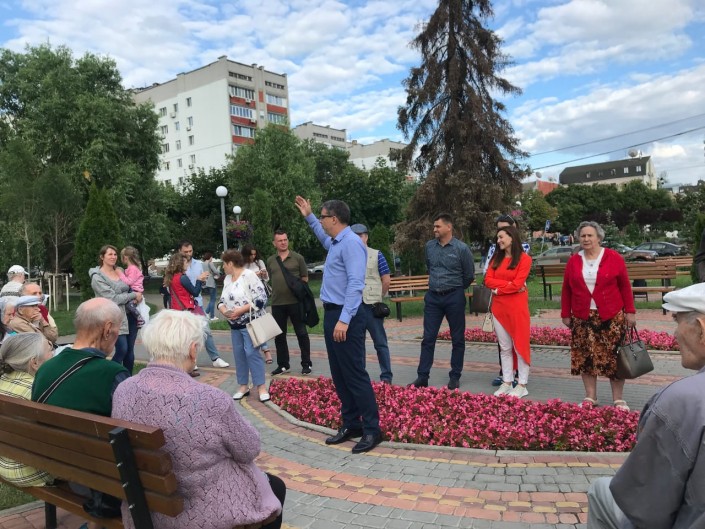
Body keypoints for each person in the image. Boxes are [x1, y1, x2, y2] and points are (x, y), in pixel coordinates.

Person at [112, 310, 285, 529]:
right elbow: (249, 450)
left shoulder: (124, 389)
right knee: (276, 487)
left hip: (145, 505)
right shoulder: (210, 399)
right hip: (198, 513)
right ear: (193, 350)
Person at [586, 283, 705, 529]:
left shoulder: (682, 401)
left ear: (701, 329)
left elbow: (644, 506)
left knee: (600, 491)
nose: (675, 334)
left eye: (677, 321)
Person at [295, 196, 383, 454]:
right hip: (334, 314)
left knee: (354, 374)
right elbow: (321, 236)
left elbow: (356, 284)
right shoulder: (336, 242)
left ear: (334, 219)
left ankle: (372, 429)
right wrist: (309, 216)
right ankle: (352, 423)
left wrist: (344, 320)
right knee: (340, 374)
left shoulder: (352, 244)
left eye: (323, 216)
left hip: (348, 316)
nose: (321, 221)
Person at [32, 297, 130, 521]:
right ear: (107, 329)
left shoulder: (46, 368)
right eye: (118, 329)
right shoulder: (112, 374)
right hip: (102, 481)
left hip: (58, 466)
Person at [561, 221, 636, 410]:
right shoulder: (574, 260)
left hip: (611, 316)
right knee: (585, 357)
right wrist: (565, 313)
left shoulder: (613, 257)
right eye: (583, 236)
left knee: (614, 358)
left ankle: (618, 399)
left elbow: (625, 286)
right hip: (582, 316)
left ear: (599, 238)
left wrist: (630, 311)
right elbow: (566, 289)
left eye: (590, 235)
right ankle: (590, 397)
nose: (586, 239)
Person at [410, 213, 474, 390]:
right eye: (434, 226)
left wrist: (456, 288)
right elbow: (429, 267)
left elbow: (469, 275)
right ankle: (422, 376)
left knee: (457, 338)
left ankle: (455, 376)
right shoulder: (429, 246)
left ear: (449, 227)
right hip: (433, 298)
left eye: (437, 226)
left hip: (454, 297)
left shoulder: (461, 248)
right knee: (428, 338)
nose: (434, 229)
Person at [0, 333, 54, 486]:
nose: (53, 354)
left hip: (4, 465)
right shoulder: (38, 390)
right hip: (31, 471)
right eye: (49, 350)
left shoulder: (3, 381)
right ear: (34, 363)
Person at [484, 225, 532, 398]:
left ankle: (522, 384)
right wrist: (507, 287)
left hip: (517, 308)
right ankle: (507, 381)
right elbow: (488, 280)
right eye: (498, 238)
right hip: (499, 308)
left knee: (520, 346)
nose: (498, 241)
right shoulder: (496, 258)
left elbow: (518, 284)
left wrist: (499, 289)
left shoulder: (524, 259)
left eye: (501, 237)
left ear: (511, 237)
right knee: (504, 347)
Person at [217, 249, 270, 403]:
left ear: (230, 263)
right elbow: (222, 300)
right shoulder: (228, 279)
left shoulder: (249, 275)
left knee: (252, 353)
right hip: (234, 325)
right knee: (239, 354)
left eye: (224, 264)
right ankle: (243, 386)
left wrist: (240, 310)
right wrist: (224, 310)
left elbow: (261, 299)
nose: (223, 267)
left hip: (250, 323)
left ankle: (261, 387)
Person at [350, 223, 393, 384]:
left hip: (372, 306)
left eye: (360, 235)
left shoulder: (377, 254)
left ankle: (386, 376)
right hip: (355, 306)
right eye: (354, 236)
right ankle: (361, 376)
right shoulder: (348, 256)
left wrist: (378, 297)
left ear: (366, 237)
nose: (358, 239)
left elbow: (386, 279)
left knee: (380, 343)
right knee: (357, 344)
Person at [266, 230, 312, 376]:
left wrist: (297, 290)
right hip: (277, 303)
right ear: (274, 243)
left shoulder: (298, 258)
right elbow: (270, 278)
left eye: (285, 239)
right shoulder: (271, 260)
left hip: (295, 302)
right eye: (280, 240)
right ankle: (283, 365)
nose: (283, 242)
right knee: (279, 335)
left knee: (301, 333)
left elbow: (305, 278)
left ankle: (306, 363)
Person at [90, 245, 142, 374]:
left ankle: (127, 379)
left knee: (130, 351)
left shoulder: (120, 270)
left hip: (130, 314)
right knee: (122, 349)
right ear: (102, 257)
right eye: (110, 254)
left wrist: (137, 294)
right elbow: (112, 298)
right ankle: (108, 375)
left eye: (115, 254)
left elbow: (133, 285)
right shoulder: (97, 277)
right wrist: (134, 295)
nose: (113, 257)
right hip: (114, 318)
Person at [178, 241, 230, 369]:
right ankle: (190, 361)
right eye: (186, 252)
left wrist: (203, 280)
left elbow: (200, 285)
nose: (189, 254)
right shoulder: (177, 265)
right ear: (180, 251)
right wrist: (198, 281)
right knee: (187, 335)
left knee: (206, 331)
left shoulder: (198, 264)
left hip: (197, 302)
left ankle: (215, 358)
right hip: (183, 305)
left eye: (190, 251)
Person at [242, 243, 273, 364]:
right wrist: (254, 275)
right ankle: (265, 349)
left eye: (254, 254)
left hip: (261, 295)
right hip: (248, 296)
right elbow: (242, 280)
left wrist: (264, 274)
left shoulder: (259, 262)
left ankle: (264, 349)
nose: (253, 257)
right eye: (251, 255)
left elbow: (267, 279)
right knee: (256, 322)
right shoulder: (242, 264)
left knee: (257, 322)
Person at [117, 246, 147, 327]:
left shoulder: (133, 268)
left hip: (135, 290)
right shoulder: (131, 268)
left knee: (129, 305)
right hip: (133, 290)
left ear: (125, 257)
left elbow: (129, 282)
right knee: (129, 305)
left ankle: (139, 317)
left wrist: (120, 274)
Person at [202, 251, 220, 320]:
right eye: (211, 257)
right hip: (211, 282)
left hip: (205, 282)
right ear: (209, 257)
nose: (212, 258)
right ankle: (212, 316)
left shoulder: (202, 264)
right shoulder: (210, 263)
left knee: (211, 299)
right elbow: (215, 271)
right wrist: (218, 269)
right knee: (213, 299)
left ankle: (206, 312)